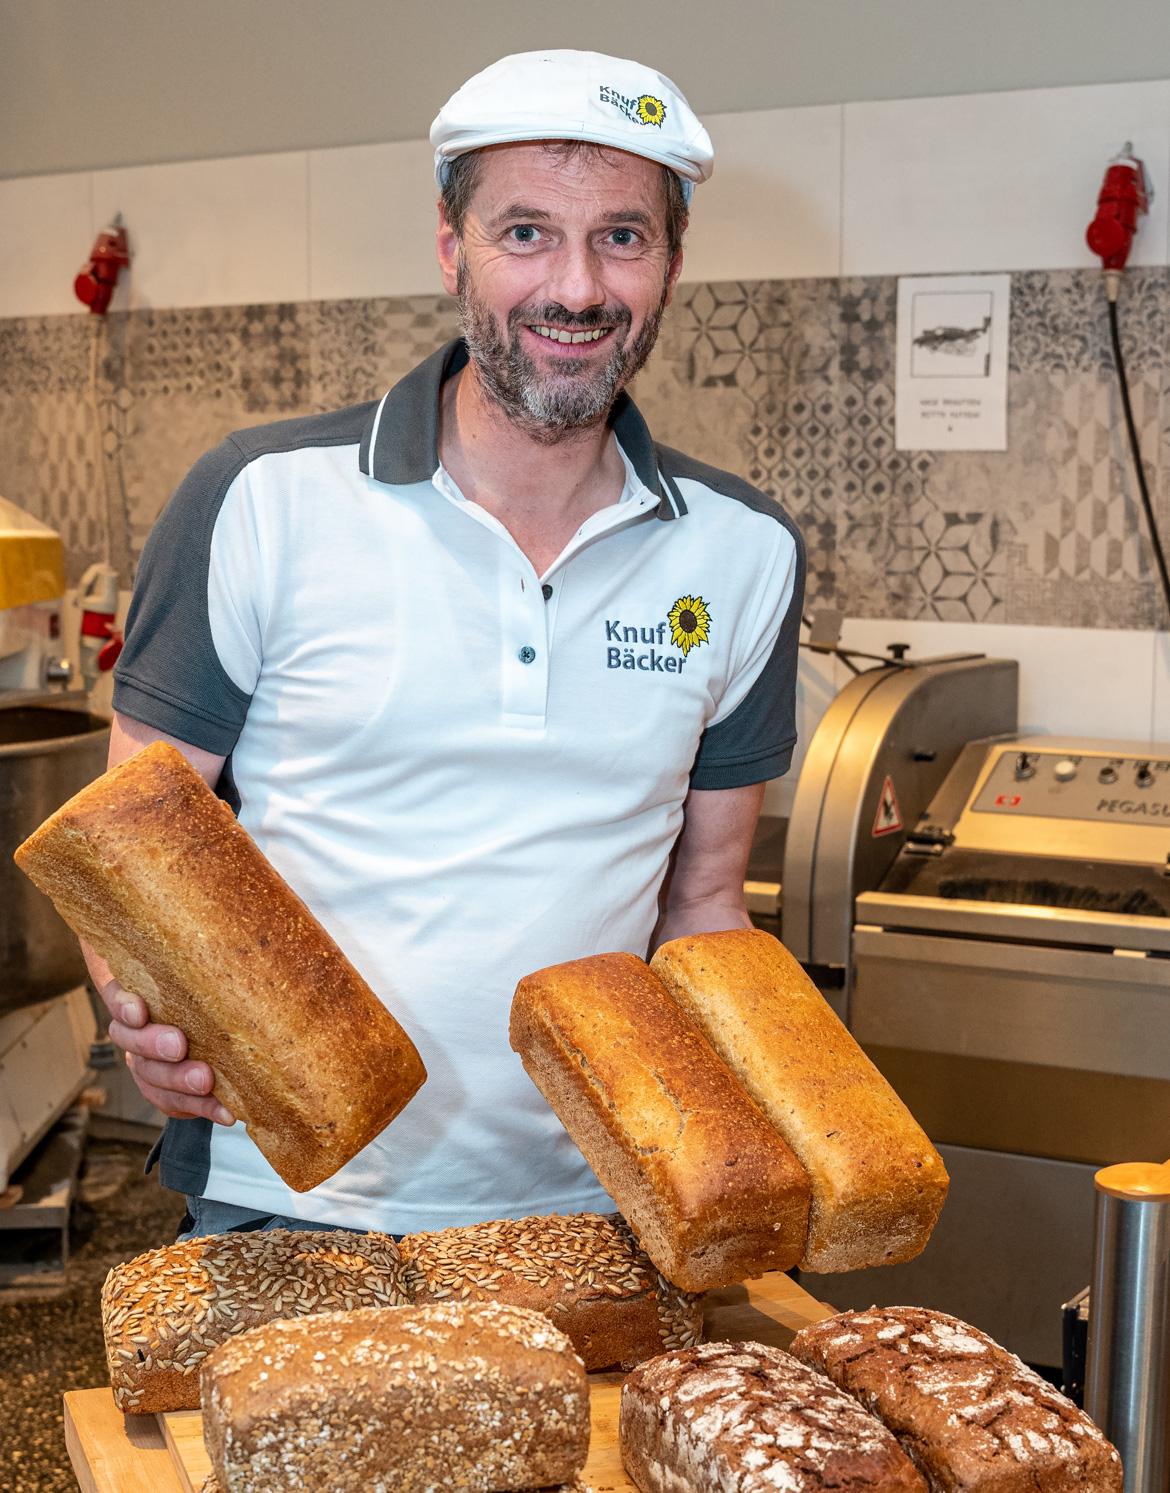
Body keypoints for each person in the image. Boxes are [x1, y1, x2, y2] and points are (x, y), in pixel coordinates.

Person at [85, 50, 805, 1240]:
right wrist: (143, 1015)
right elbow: (127, 852)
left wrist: (756, 1135)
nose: (576, 287)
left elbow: (707, 900)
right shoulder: (262, 497)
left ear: (673, 262)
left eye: (622, 238)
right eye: (525, 232)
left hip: (599, 1206)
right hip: (292, 1193)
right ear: (449, 245)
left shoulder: (744, 554)